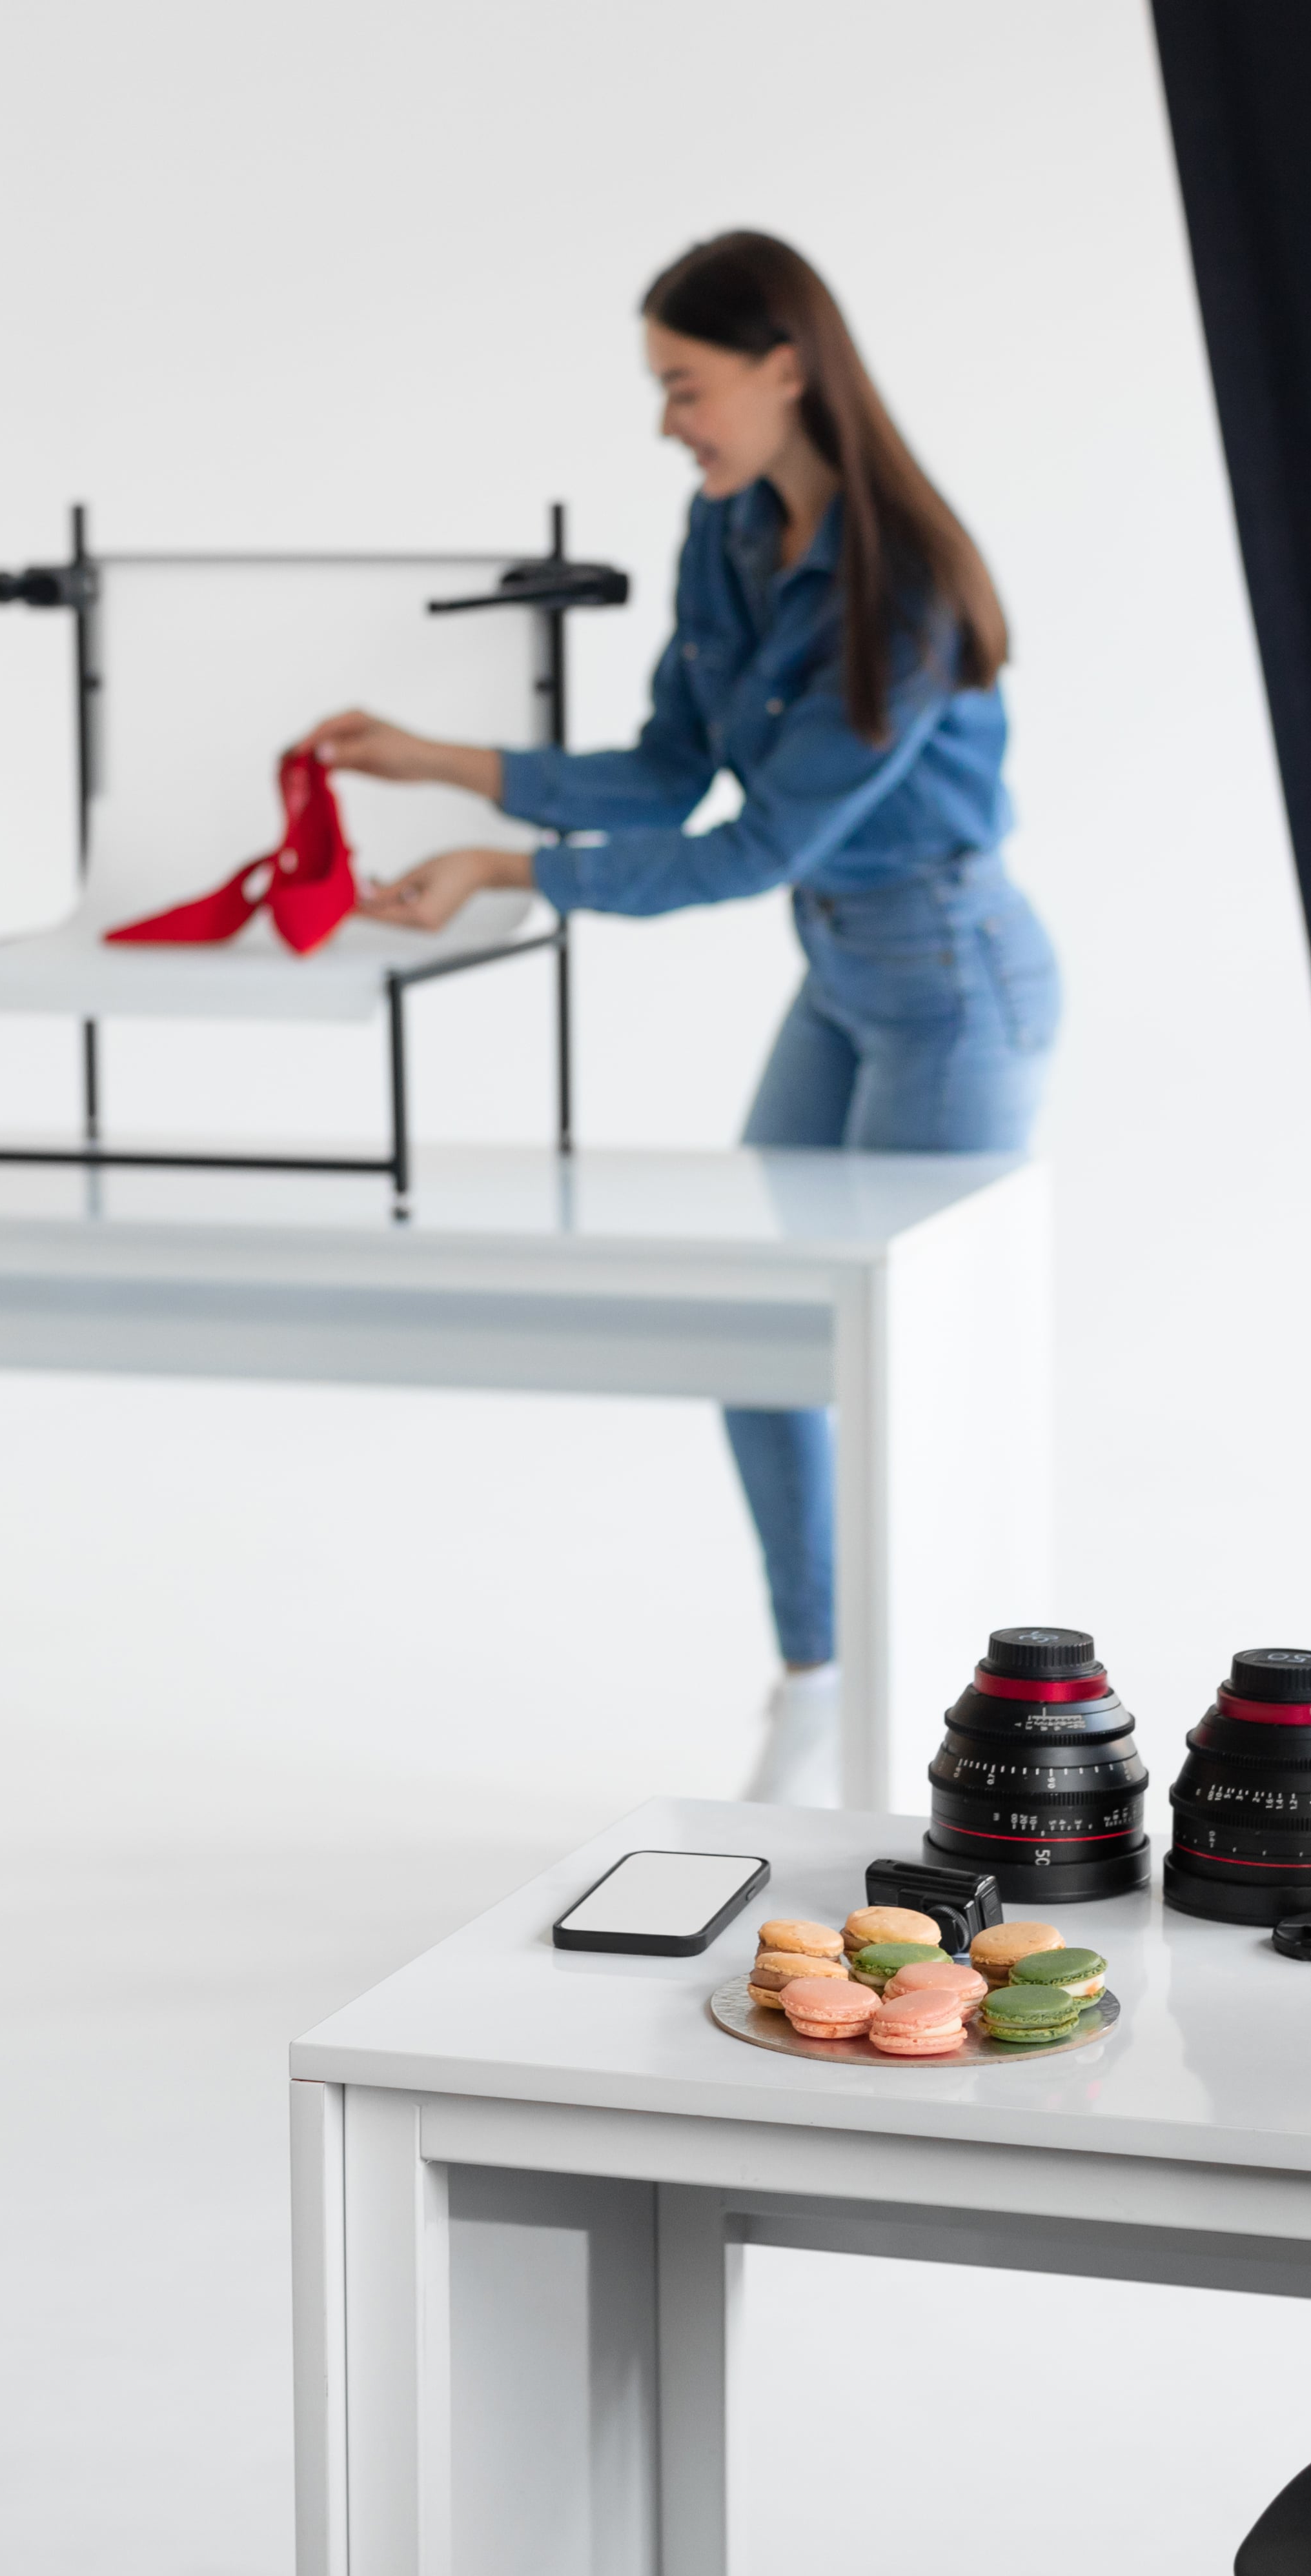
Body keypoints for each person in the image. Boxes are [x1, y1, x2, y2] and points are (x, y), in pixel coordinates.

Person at [318, 230, 1055, 1804]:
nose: (667, 421)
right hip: (843, 970)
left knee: (910, 1377)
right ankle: (820, 1679)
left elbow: (749, 846)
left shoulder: (907, 590)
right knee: (760, 1328)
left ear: (786, 368)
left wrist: (507, 867)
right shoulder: (726, 532)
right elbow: (668, 771)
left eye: (685, 385)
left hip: (952, 986)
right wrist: (440, 761)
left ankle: (954, 1749)